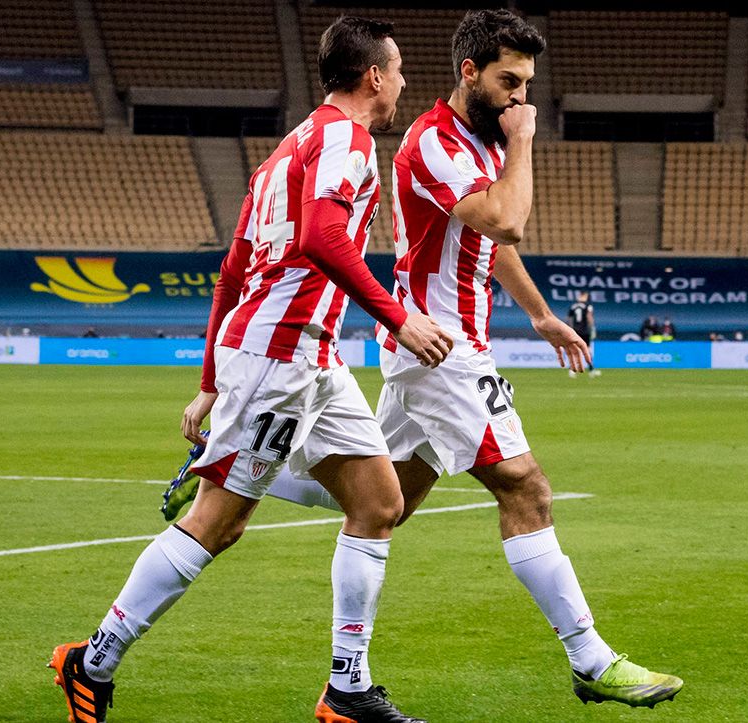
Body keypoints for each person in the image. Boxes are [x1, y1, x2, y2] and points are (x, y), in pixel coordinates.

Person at [275, 9, 683, 710]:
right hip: (444, 348)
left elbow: (496, 243)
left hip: (435, 345)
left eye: (527, 84)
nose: (521, 98)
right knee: (526, 487)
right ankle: (591, 657)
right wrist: (524, 143)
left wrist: (541, 315)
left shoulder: (477, 140)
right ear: (469, 72)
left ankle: (241, 470)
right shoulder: (433, 141)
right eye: (509, 82)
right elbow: (507, 219)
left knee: (383, 503)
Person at [49, 17, 449, 723]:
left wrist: (209, 380)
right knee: (218, 523)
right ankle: (93, 660)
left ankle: (347, 689)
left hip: (307, 355)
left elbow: (233, 268)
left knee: (379, 503)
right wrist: (398, 319)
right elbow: (323, 237)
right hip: (279, 356)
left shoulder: (284, 154)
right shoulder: (344, 141)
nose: (404, 84)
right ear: (373, 77)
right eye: (399, 71)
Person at [565, 291, 600, 378]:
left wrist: (570, 329)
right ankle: (591, 370)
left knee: (575, 349)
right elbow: (589, 317)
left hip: (575, 331)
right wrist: (592, 328)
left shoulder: (573, 306)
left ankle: (572, 370)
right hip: (585, 331)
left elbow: (569, 319)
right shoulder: (588, 306)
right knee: (587, 349)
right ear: (584, 296)